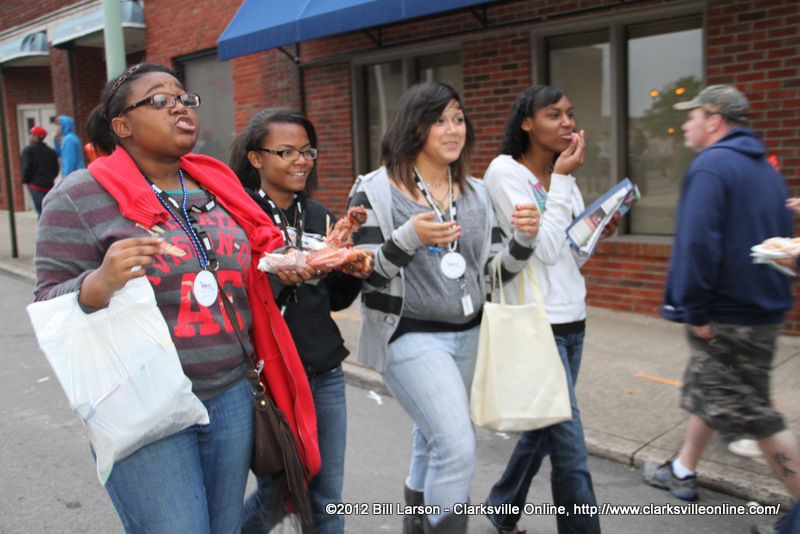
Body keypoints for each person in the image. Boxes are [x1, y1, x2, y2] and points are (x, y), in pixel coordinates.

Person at [33, 63, 320, 533]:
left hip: (231, 392)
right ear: (122, 126)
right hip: (141, 399)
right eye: (160, 100)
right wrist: (100, 282)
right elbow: (49, 302)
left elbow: (245, 272)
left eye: (185, 97)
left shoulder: (217, 183)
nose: (180, 106)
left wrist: (287, 267)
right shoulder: (79, 195)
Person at [346, 81, 540, 533]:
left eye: (458, 118)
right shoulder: (375, 191)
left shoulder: (475, 193)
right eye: (439, 120)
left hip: (469, 333)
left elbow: (494, 272)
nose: (453, 129)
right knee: (456, 446)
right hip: (407, 333)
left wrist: (525, 240)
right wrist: (408, 238)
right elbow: (367, 274)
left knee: (432, 439)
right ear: (414, 127)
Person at [641, 85, 800, 529]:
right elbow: (782, 239)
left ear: (714, 121)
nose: (686, 124)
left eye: (692, 116)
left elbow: (698, 245)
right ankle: (682, 469)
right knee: (709, 389)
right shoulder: (765, 167)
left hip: (729, 314)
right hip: (762, 309)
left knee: (753, 414)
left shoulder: (711, 165)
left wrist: (694, 310)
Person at [482, 85, 619, 534]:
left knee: (545, 428)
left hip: (573, 317)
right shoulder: (505, 173)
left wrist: (596, 228)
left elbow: (569, 255)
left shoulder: (565, 179)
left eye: (570, 114)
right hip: (536, 323)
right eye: (554, 114)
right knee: (571, 451)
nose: (567, 123)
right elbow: (539, 249)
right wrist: (560, 182)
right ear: (527, 123)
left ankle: (503, 505)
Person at [231, 108, 371, 534]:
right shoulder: (237, 216)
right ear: (256, 158)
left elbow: (332, 300)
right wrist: (280, 277)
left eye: (307, 151)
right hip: (268, 375)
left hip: (322, 370)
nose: (301, 161)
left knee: (326, 496)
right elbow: (238, 296)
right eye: (287, 151)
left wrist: (350, 270)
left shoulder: (319, 216)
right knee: (279, 494)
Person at [20, 125, 59, 216]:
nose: (30, 137)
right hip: (48, 185)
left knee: (41, 212)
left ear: (35, 136)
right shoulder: (51, 152)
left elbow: (26, 167)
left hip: (35, 185)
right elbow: (55, 169)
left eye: (31, 134)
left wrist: (25, 180)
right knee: (47, 211)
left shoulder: (28, 150)